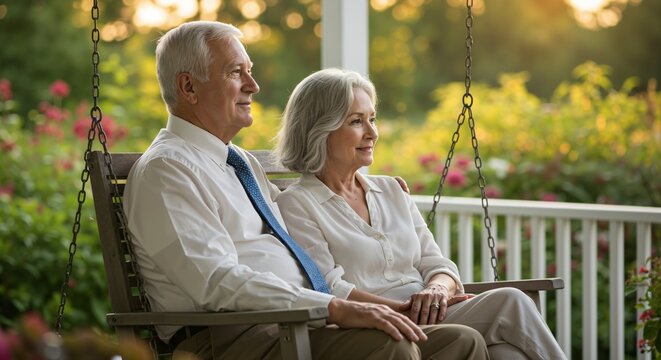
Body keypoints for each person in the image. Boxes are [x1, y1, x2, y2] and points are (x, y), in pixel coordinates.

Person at [123, 20, 489, 359]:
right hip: (231, 337)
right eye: (236, 72)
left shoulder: (238, 162)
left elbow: (297, 216)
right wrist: (335, 307)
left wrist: (372, 190)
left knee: (461, 341)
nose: (254, 85)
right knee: (395, 346)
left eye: (250, 72)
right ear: (188, 87)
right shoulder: (168, 171)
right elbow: (216, 282)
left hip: (297, 320)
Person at [275, 68, 567, 360]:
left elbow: (435, 262)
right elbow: (329, 287)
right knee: (511, 301)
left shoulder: (391, 190)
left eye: (372, 119)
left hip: (430, 314)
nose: (373, 133)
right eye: (356, 121)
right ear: (319, 129)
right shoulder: (297, 204)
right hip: (373, 326)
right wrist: (401, 309)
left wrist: (438, 290)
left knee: (507, 355)